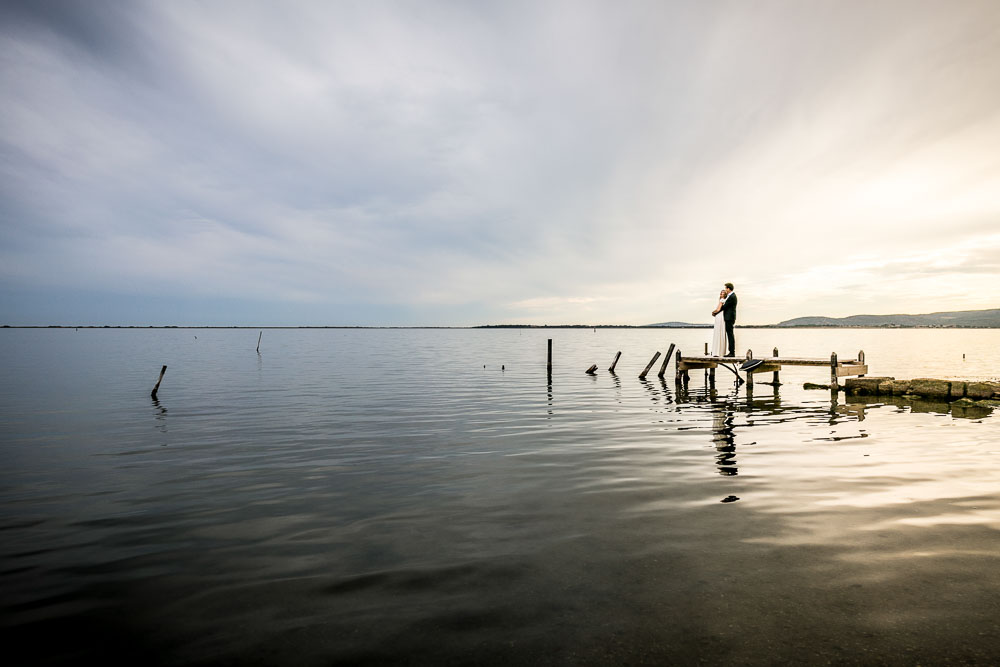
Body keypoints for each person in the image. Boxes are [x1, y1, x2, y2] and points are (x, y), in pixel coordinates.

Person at [721, 282, 737, 357]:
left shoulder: (732, 296)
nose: (725, 290)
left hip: (729, 318)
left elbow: (725, 306)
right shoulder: (731, 296)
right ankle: (731, 351)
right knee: (730, 334)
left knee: (730, 335)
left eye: (726, 288)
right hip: (729, 317)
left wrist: (716, 311)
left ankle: (732, 352)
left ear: (728, 288)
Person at [710, 288, 727, 356]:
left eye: (722, 293)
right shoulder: (725, 300)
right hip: (722, 316)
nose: (721, 293)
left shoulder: (722, 300)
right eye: (721, 292)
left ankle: (716, 351)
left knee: (718, 332)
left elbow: (718, 309)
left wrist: (713, 313)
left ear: (724, 294)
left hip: (719, 316)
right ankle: (721, 351)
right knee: (721, 332)